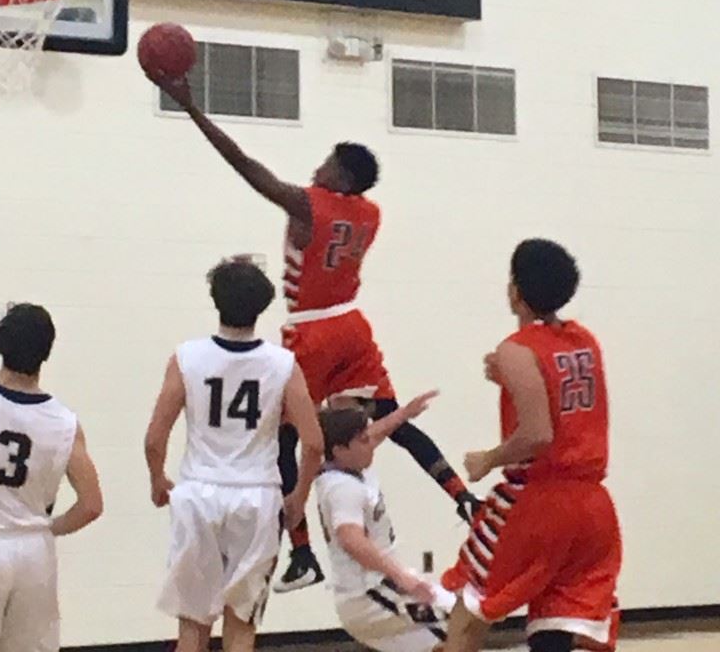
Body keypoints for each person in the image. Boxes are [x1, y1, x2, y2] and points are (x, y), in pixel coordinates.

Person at [149, 72, 480, 592]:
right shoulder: (370, 213)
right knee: (394, 420)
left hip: (313, 334)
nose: (317, 167)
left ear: (343, 178)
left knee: (286, 440)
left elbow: (246, 167)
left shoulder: (310, 204)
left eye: (328, 163)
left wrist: (192, 108)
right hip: (352, 323)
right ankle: (464, 498)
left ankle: (302, 553)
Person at [442, 239, 622, 652]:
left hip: (539, 501)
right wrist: (511, 376)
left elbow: (538, 435)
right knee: (556, 618)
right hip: (593, 507)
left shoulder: (517, 349)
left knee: (470, 601)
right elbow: (561, 393)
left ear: (515, 291)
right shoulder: (584, 340)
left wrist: (488, 460)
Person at [145, 259, 323, 652]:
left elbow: (155, 437)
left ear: (215, 300)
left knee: (192, 627)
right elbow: (313, 443)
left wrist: (158, 480)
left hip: (198, 495)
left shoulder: (186, 357)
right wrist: (300, 498)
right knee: (241, 626)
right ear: (261, 306)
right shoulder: (282, 364)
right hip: (256, 498)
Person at [0, 302, 103, 652]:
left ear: (0, 344)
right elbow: (92, 505)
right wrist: (47, 528)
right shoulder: (65, 423)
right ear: (46, 352)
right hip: (33, 552)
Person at [317, 397, 457, 652]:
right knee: (460, 621)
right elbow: (351, 540)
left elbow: (375, 432)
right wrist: (401, 577)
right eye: (363, 440)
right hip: (369, 593)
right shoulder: (341, 488)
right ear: (339, 450)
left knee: (438, 645)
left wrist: (403, 413)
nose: (371, 443)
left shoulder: (350, 464)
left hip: (375, 591)